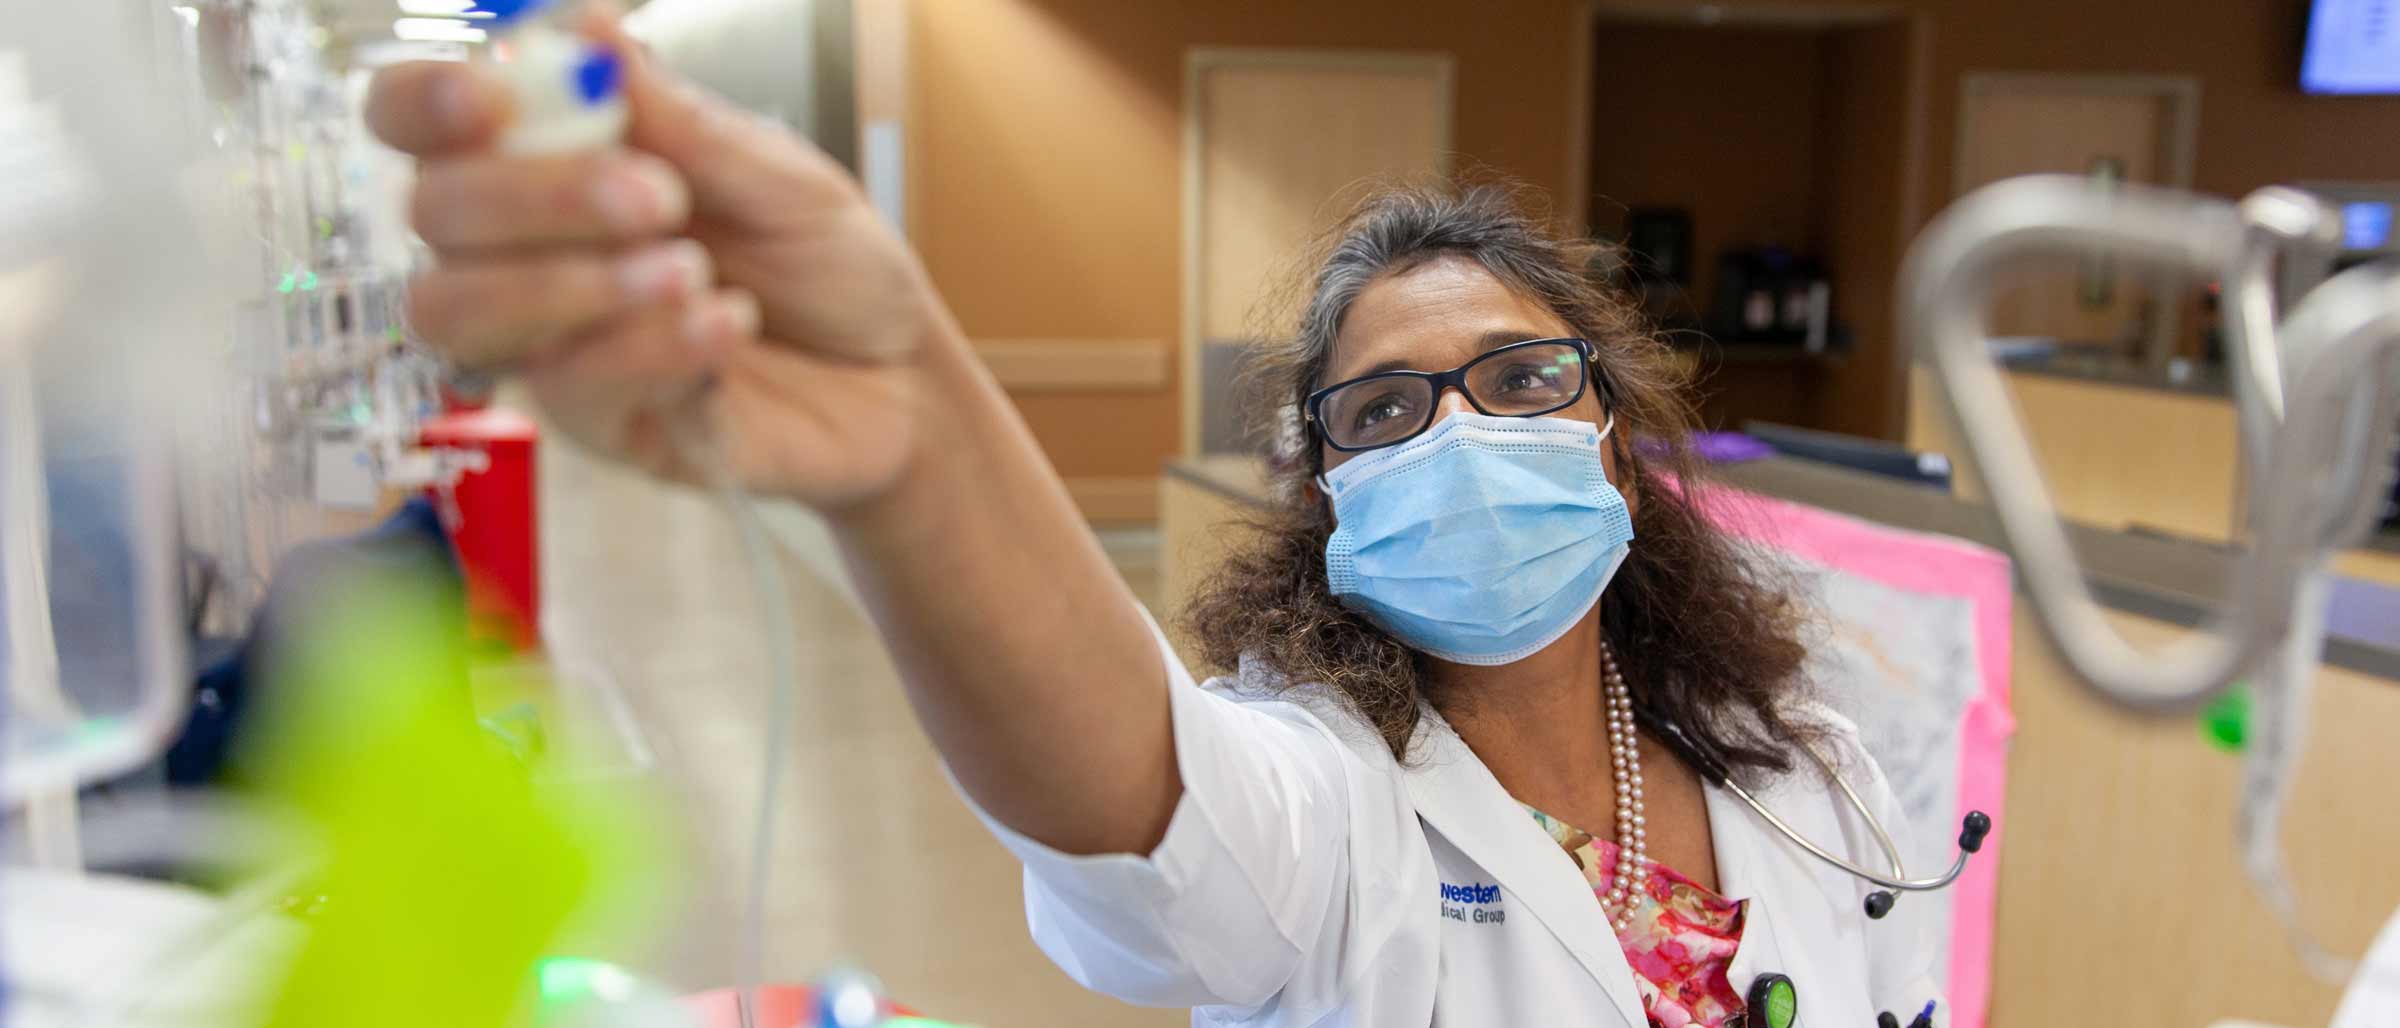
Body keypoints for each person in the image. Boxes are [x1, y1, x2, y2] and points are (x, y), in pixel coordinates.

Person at [368, 12, 1947, 1026]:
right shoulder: (1328, 807)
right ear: (1326, 493)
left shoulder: (1811, 764)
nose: (1462, 429)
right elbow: (1149, 800)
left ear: (1609, 432)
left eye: (1521, 378)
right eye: (1387, 408)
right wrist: (915, 434)